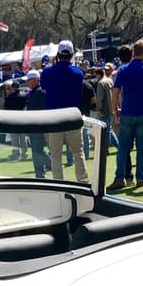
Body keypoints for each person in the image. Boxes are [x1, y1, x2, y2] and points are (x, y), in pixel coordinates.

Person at [40, 41, 88, 181]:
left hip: (54, 118)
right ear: (72, 55)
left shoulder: (47, 72)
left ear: (58, 54)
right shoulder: (78, 73)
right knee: (78, 152)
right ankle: (82, 181)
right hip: (72, 116)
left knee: (56, 155)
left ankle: (58, 183)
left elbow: (44, 87)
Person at [108, 40, 143, 190]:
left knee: (123, 147)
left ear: (133, 52)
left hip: (127, 112)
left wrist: (115, 108)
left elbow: (115, 91)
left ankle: (120, 177)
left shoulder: (123, 69)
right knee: (141, 146)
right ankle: (140, 178)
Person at [23, 70, 50, 178]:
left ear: (35, 80)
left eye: (29, 80)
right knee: (35, 152)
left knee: (38, 151)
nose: (27, 82)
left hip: (38, 126)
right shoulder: (33, 92)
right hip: (33, 126)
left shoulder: (40, 92)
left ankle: (52, 164)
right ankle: (39, 174)